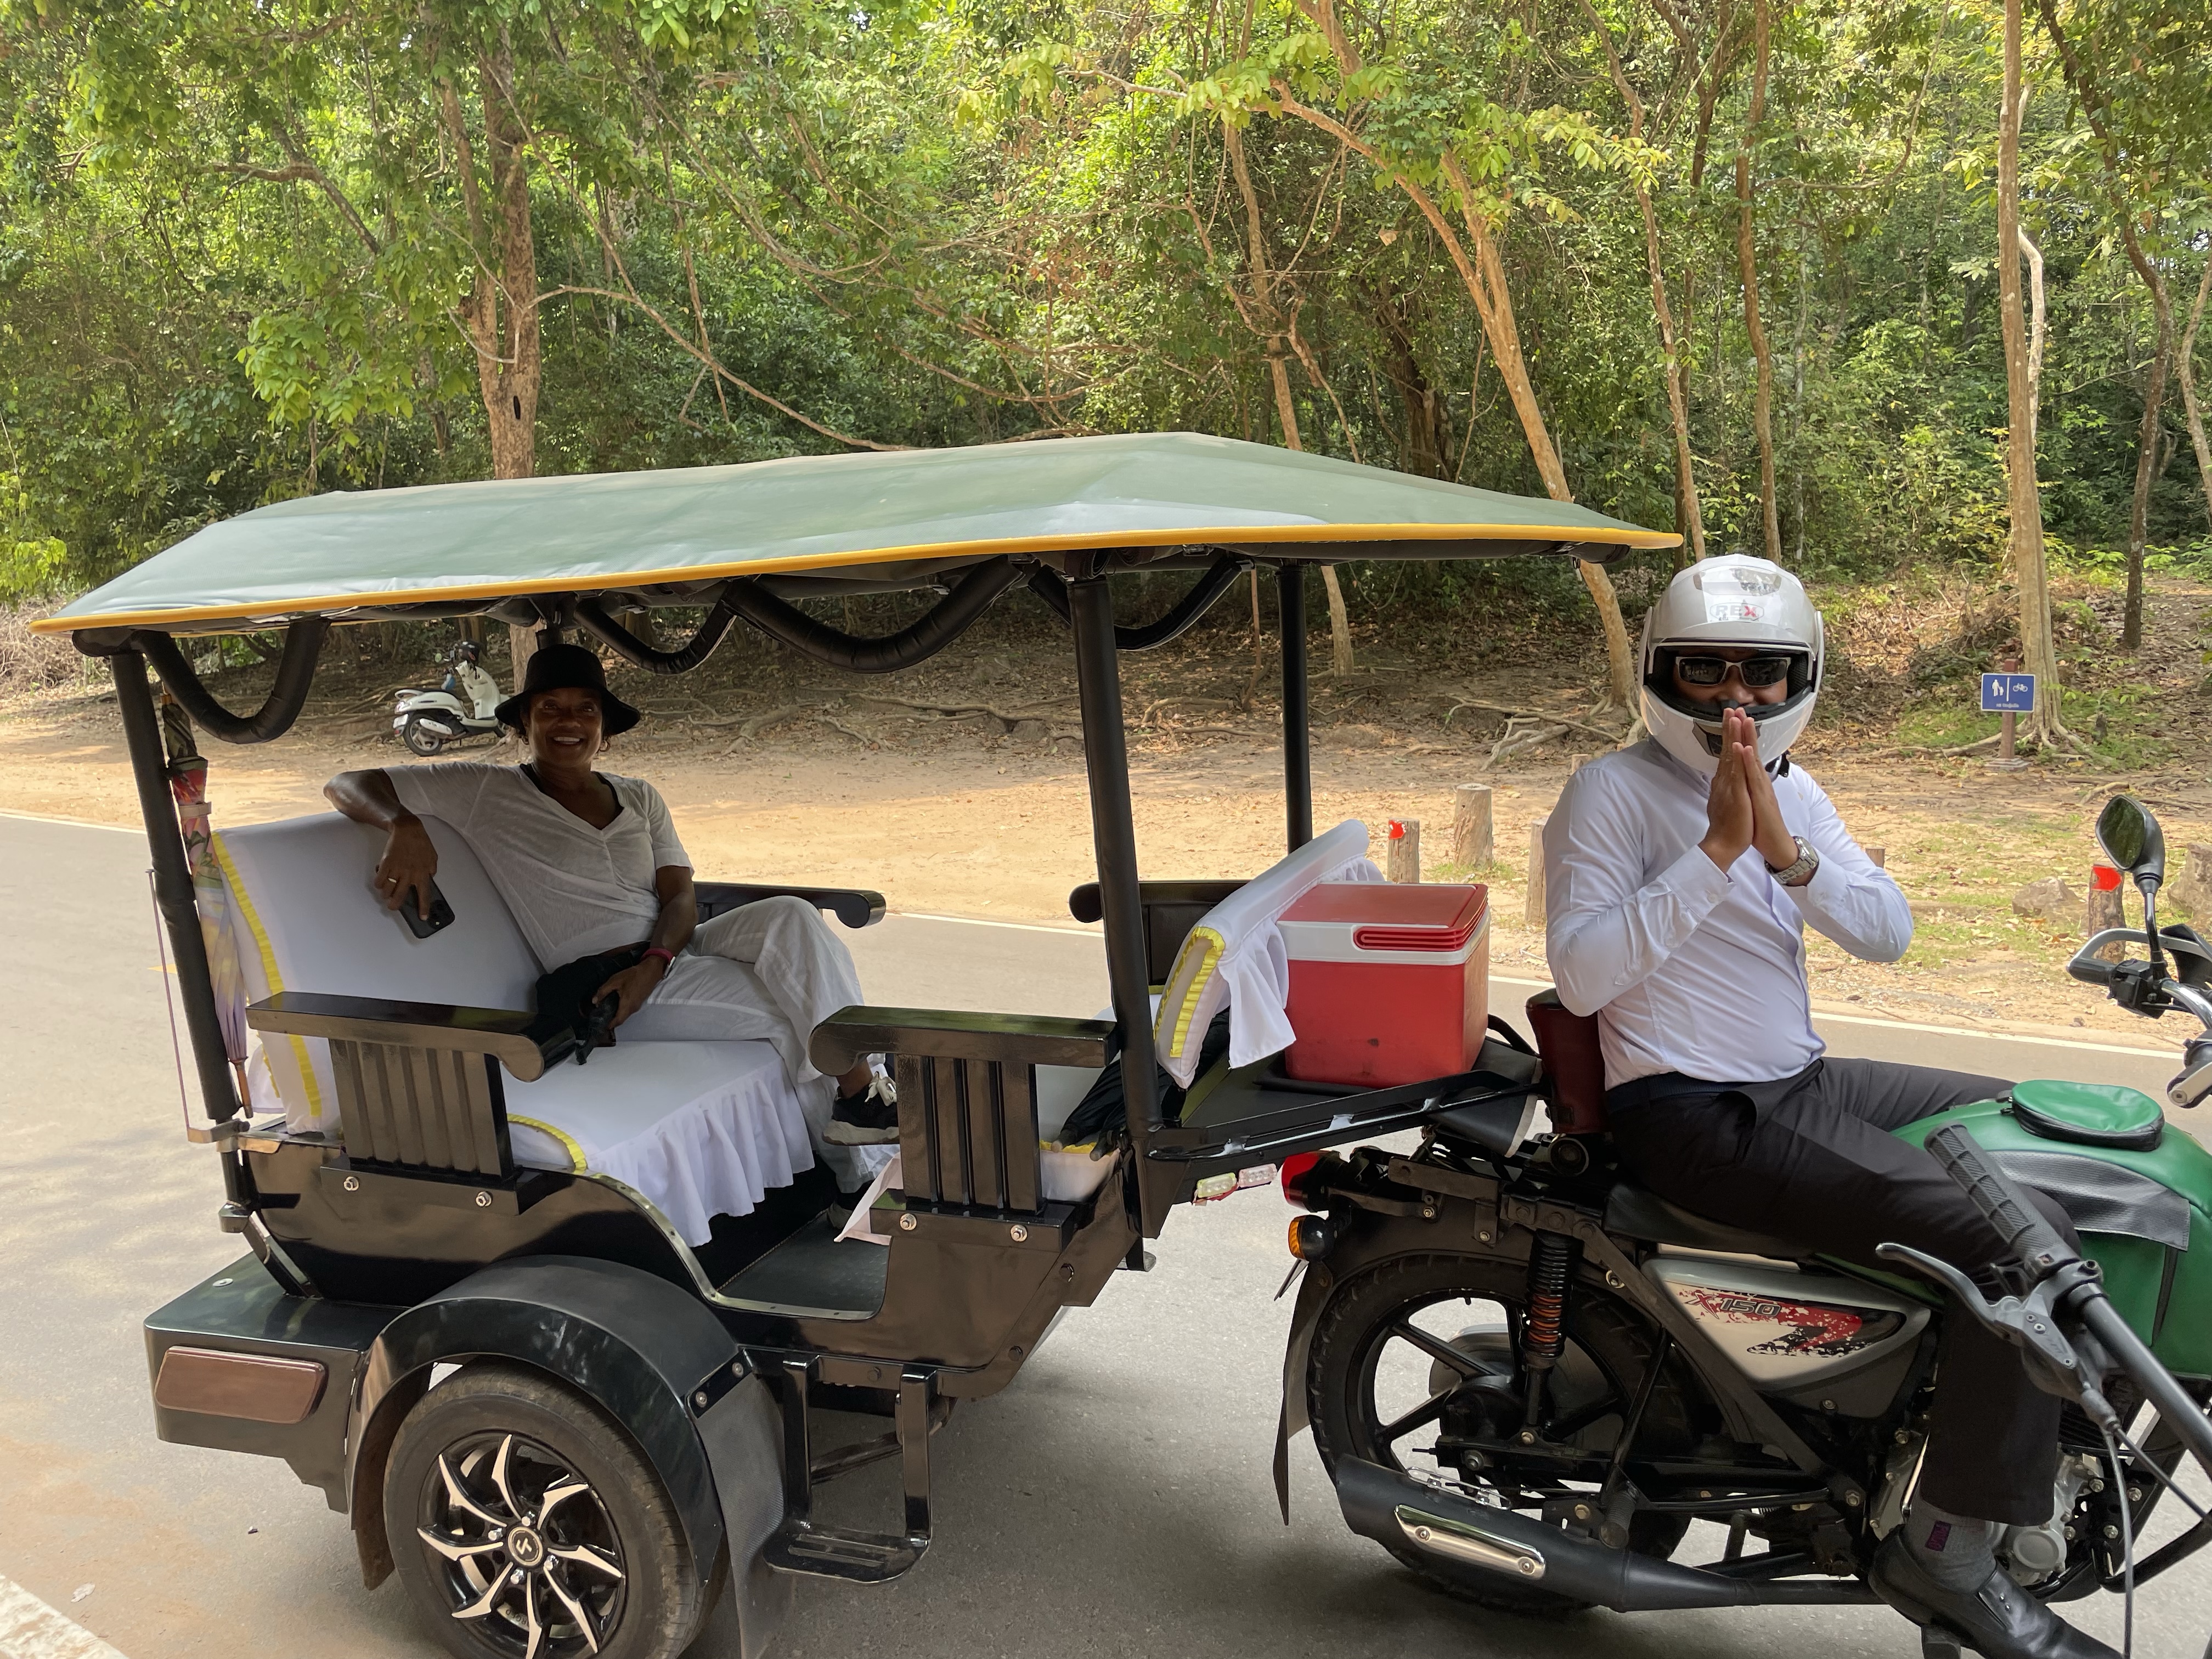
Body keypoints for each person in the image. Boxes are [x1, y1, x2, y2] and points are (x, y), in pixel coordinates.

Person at [1543, 556, 2109, 1659]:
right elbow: (1581, 975)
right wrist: (1716, 850)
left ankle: (1987, 1400)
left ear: (1799, 677)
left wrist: (1784, 852)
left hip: (1798, 1077)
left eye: (1761, 672)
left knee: (2041, 1120)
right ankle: (1948, 1553)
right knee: (2012, 1247)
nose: (1735, 696)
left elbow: (1888, 932)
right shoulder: (1607, 793)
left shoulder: (1794, 789)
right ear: (1660, 672)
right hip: (1694, 1110)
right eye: (1704, 670)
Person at [326, 641, 901, 1189]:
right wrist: (402, 824)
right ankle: (856, 1175)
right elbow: (347, 783)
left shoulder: (639, 796)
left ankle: (860, 1098)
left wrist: (656, 961)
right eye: (549, 708)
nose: (568, 722)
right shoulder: (484, 790)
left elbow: (679, 898)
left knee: (792, 916)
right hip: (607, 989)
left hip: (669, 953)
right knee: (795, 1017)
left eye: (586, 709)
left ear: (604, 726)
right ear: (524, 722)